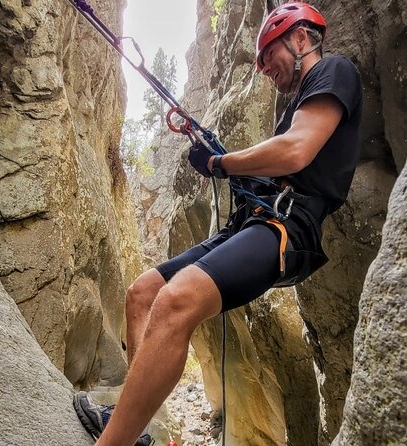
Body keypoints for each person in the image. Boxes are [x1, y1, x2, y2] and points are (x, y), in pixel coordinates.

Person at [73, 2, 362, 444]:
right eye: (261, 60)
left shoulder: (334, 72)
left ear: (301, 39)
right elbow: (278, 158)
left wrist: (220, 162)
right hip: (254, 221)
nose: (264, 68)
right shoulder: (296, 104)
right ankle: (137, 427)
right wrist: (207, 145)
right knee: (144, 293)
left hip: (288, 227)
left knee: (176, 299)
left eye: (269, 55)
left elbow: (296, 151)